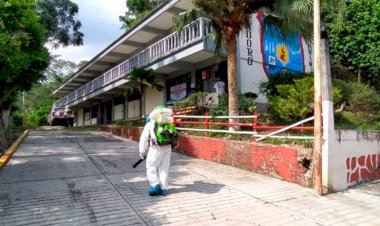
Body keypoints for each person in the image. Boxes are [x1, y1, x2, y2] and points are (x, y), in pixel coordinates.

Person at [138, 106, 178, 196]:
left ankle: (155, 185)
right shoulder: (168, 123)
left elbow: (144, 138)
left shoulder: (150, 124)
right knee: (164, 168)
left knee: (151, 167)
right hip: (167, 148)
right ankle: (164, 189)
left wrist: (142, 151)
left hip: (155, 149)